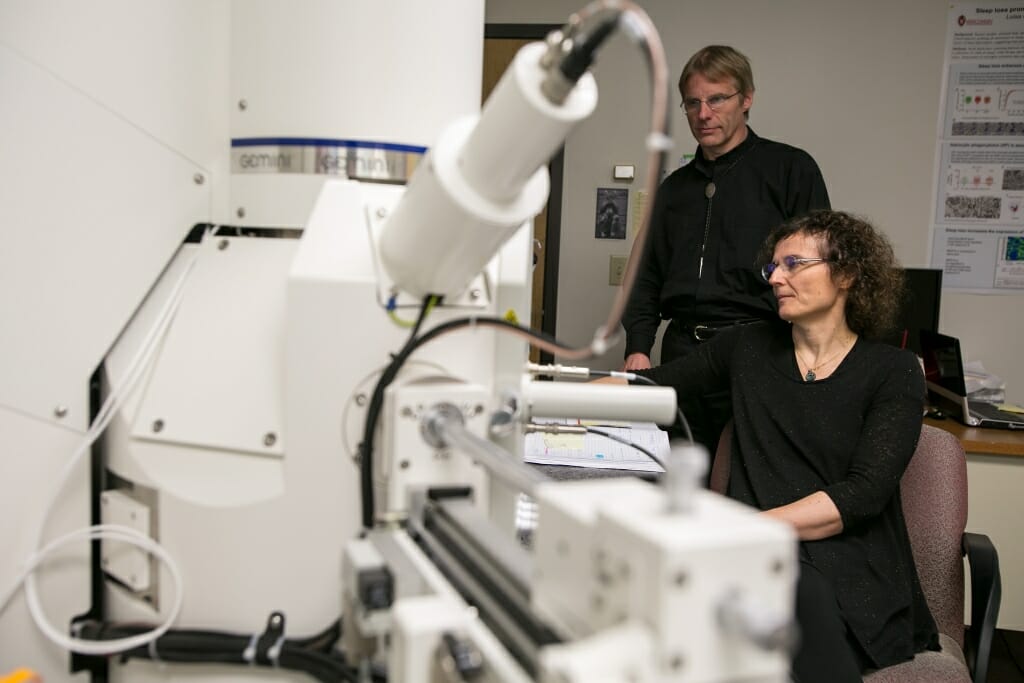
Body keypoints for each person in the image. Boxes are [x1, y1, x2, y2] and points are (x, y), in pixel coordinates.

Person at [631, 211, 939, 681]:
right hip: (757, 559)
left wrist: (745, 528)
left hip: (848, 563)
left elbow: (863, 493)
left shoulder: (894, 371)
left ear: (847, 274)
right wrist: (556, 391)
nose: (776, 277)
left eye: (794, 264)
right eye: (772, 267)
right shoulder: (747, 347)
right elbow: (650, 384)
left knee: (792, 598)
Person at [622, 45, 831, 453]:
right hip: (683, 353)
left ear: (747, 98)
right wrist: (638, 348)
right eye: (693, 103)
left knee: (745, 482)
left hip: (758, 350)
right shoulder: (673, 191)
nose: (704, 114)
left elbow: (815, 270)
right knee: (677, 482)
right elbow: (646, 275)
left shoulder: (790, 170)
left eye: (717, 99)